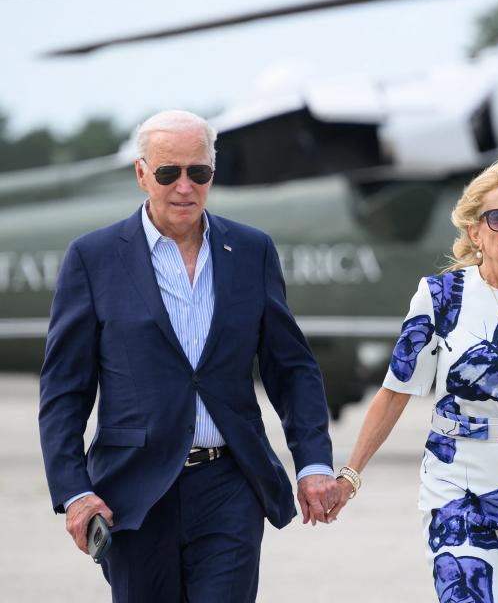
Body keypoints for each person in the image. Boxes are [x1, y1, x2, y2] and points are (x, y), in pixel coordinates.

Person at [38, 110, 340, 602]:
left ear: (211, 175)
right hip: (133, 493)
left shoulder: (251, 250)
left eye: (197, 172)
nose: (184, 186)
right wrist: (74, 492)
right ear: (141, 174)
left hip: (230, 485)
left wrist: (313, 464)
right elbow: (64, 393)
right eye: (168, 172)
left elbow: (293, 370)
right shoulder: (93, 258)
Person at [327, 161, 498, 602]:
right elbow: (394, 392)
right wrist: (350, 475)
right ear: (476, 231)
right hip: (455, 476)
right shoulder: (440, 297)